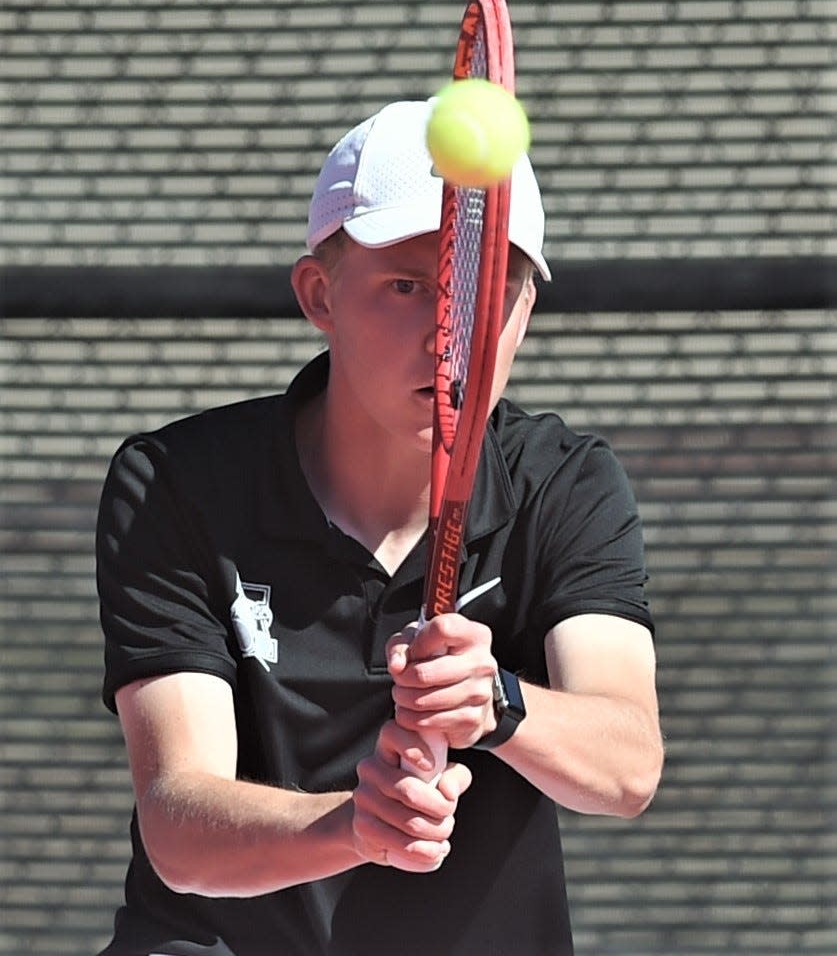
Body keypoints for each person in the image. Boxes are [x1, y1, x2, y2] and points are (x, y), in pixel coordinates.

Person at [96, 99, 663, 956]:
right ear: (319, 295)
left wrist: (498, 703)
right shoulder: (175, 486)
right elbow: (181, 827)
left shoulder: (565, 482)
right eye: (409, 287)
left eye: (486, 293)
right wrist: (351, 829)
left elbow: (625, 769)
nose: (451, 339)